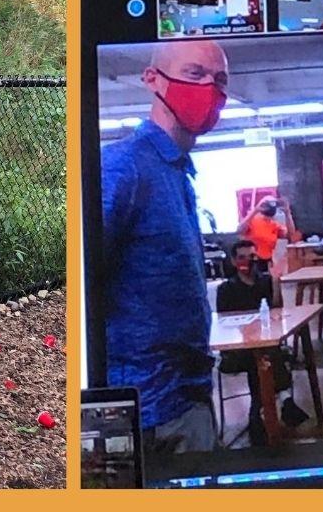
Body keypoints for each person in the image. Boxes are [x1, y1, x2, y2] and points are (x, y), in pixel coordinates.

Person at [99, 39, 229, 455]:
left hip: (184, 399)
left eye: (220, 80)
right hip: (142, 415)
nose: (210, 87)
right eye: (195, 74)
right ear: (153, 80)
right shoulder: (124, 168)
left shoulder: (174, 173)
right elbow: (81, 280)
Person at [213, 241, 309, 446]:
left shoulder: (264, 282)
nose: (248, 261)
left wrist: (276, 282)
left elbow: (277, 310)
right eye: (242, 257)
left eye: (252, 256)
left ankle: (258, 416)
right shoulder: (226, 289)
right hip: (236, 351)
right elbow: (223, 323)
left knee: (265, 355)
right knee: (265, 357)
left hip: (263, 346)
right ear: (233, 261)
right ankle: (283, 401)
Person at [239, 196, 297, 304]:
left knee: (272, 296)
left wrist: (288, 213)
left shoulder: (274, 225)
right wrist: (255, 210)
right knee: (252, 295)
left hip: (267, 262)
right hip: (251, 262)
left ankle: (273, 315)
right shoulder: (254, 221)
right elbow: (240, 230)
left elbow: (291, 235)